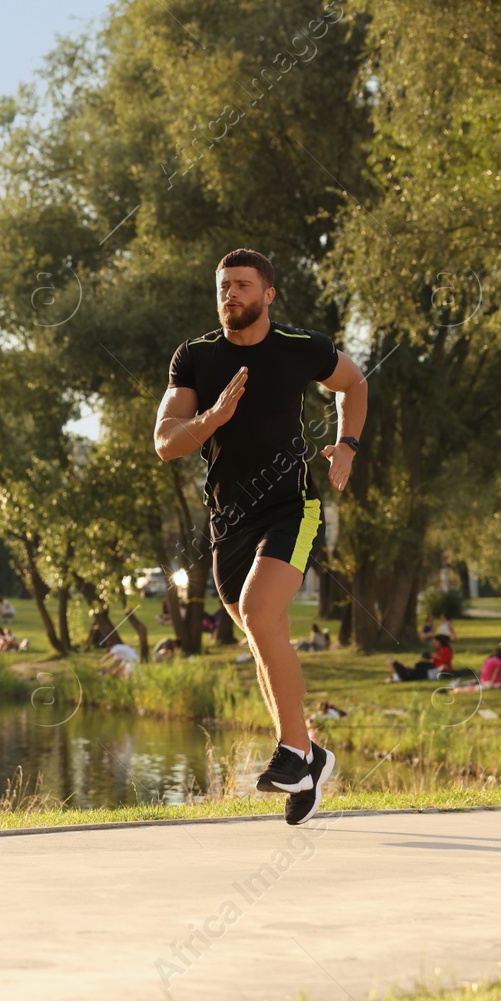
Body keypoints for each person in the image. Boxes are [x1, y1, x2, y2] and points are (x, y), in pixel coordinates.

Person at [154, 248, 367, 826]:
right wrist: (212, 421)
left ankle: (295, 755)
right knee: (260, 634)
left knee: (257, 611)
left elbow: (353, 383)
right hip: (230, 521)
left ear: (268, 294)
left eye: (243, 286)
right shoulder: (194, 358)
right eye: (223, 287)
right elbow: (166, 441)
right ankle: (312, 754)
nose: (231, 296)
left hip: (289, 509)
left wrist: (346, 446)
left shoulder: (302, 350)